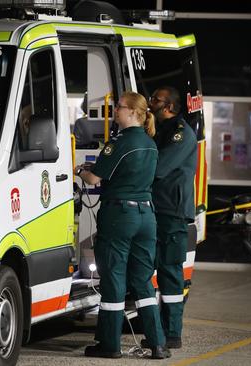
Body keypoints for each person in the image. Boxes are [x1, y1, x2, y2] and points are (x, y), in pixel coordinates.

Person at [75, 91, 170, 359]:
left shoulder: (118, 143)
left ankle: (109, 345)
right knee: (142, 281)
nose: (115, 111)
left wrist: (80, 171)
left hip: (120, 216)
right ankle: (157, 343)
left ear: (132, 112)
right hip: (146, 217)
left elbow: (94, 178)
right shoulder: (151, 144)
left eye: (119, 107)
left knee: (114, 278)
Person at [145, 86, 197, 350]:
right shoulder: (158, 129)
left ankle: (172, 332)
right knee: (150, 269)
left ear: (170, 108)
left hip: (171, 212)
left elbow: (159, 166)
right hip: (155, 208)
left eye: (156, 99)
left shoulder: (181, 134)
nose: (150, 102)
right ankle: (157, 330)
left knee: (169, 272)